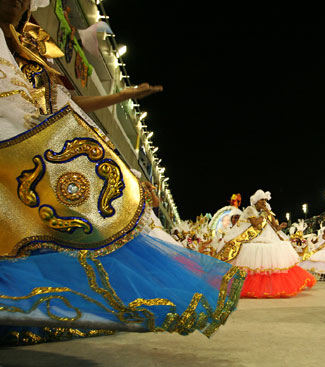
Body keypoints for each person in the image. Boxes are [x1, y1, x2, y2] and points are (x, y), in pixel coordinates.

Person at [0, 0, 244, 345]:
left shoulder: (30, 54)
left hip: (29, 148)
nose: (17, 2)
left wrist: (123, 96)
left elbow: (63, 106)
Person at [216, 190, 316, 298]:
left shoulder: (267, 210)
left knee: (277, 255)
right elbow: (255, 224)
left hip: (269, 237)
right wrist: (264, 213)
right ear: (256, 201)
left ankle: (272, 287)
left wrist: (280, 226)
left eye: (265, 200)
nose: (264, 202)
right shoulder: (250, 209)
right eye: (262, 200)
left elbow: (275, 226)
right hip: (254, 238)